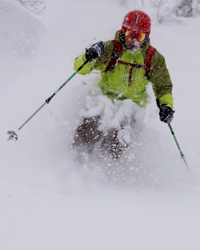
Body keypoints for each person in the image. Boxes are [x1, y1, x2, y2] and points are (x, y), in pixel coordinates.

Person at [72, 10, 174, 159]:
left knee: (118, 138)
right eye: (130, 35)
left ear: (146, 36)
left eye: (139, 36)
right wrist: (89, 56)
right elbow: (78, 68)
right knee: (89, 128)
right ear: (123, 31)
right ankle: (75, 162)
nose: (134, 41)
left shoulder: (153, 58)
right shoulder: (111, 49)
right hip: (104, 100)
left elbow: (163, 86)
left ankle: (110, 172)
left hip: (131, 106)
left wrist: (166, 106)